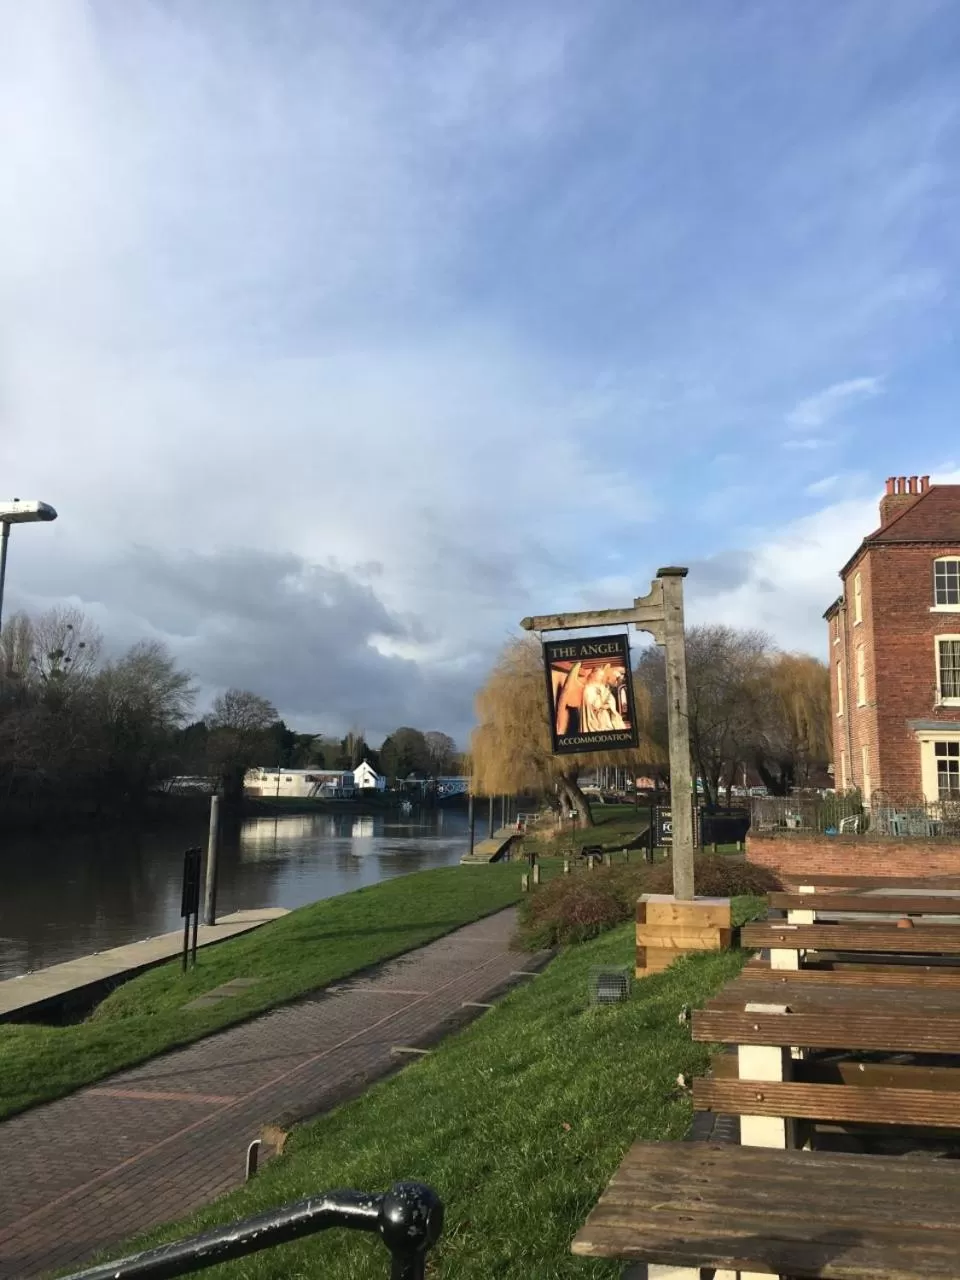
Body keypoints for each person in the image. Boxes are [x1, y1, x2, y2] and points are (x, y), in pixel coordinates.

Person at [581, 663, 627, 733]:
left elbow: (611, 699)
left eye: (602, 676)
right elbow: (588, 703)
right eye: (599, 675)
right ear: (594, 675)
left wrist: (608, 705)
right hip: (594, 716)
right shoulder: (588, 688)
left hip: (605, 713)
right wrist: (598, 706)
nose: (601, 677)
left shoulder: (602, 686)